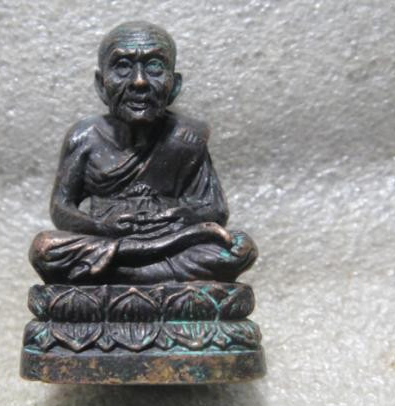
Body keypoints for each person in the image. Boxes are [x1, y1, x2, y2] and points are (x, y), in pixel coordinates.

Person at [29, 21, 257, 284]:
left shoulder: (187, 137)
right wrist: (101, 227)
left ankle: (117, 275)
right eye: (123, 66)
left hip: (167, 238)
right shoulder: (84, 137)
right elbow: (61, 208)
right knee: (45, 248)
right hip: (110, 239)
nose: (139, 81)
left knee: (239, 247)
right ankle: (151, 277)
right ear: (101, 84)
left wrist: (184, 218)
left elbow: (215, 209)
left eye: (155, 67)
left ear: (174, 85)